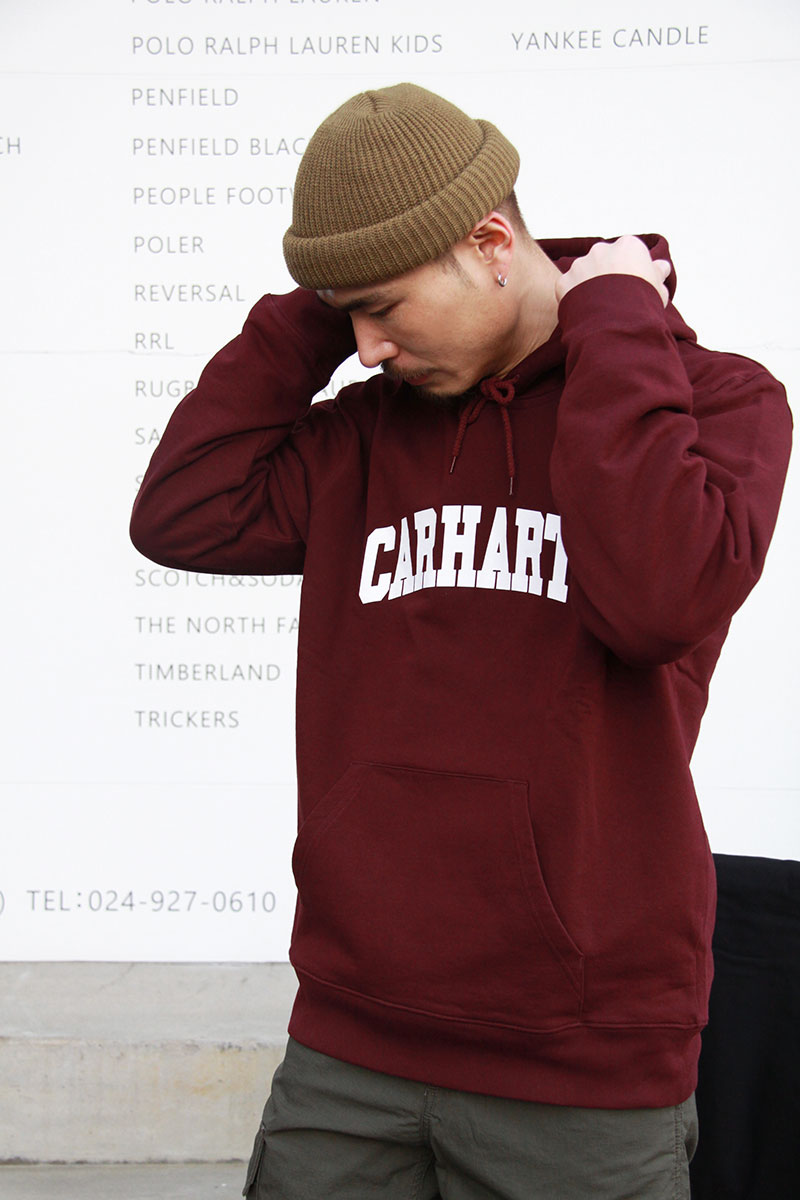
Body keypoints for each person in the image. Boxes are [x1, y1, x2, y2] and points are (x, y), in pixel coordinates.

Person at [130, 83, 792, 1199]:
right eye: (343, 315)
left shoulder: (713, 401)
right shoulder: (362, 435)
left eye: (382, 306)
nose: (366, 348)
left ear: (490, 244)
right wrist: (321, 300)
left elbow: (659, 602)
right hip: (350, 1040)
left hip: (581, 1065)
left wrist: (614, 320)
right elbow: (183, 512)